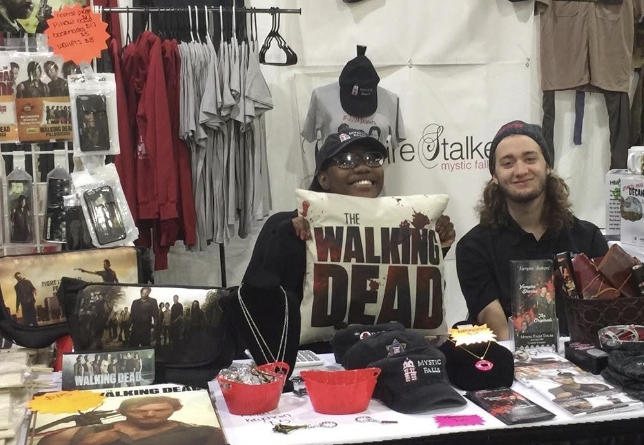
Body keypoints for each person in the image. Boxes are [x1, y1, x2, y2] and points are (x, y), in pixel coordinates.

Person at [243, 129, 457, 307]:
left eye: (372, 159)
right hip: (315, 346)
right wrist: (286, 242)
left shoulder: (401, 229)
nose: (363, 167)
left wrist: (432, 247)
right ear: (324, 179)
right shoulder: (287, 225)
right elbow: (251, 302)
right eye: (346, 160)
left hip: (387, 342)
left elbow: (410, 300)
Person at [457, 120, 608, 340]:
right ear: (495, 176)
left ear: (547, 166)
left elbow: (604, 320)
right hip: (510, 356)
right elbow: (497, 327)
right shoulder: (473, 247)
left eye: (530, 159)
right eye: (507, 163)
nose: (520, 171)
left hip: (580, 357)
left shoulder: (588, 239)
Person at [29, 395, 227, 445]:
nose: (150, 414)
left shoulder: (202, 433)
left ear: (176, 409)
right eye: (139, 410)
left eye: (160, 410)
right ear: (121, 412)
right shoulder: (81, 432)